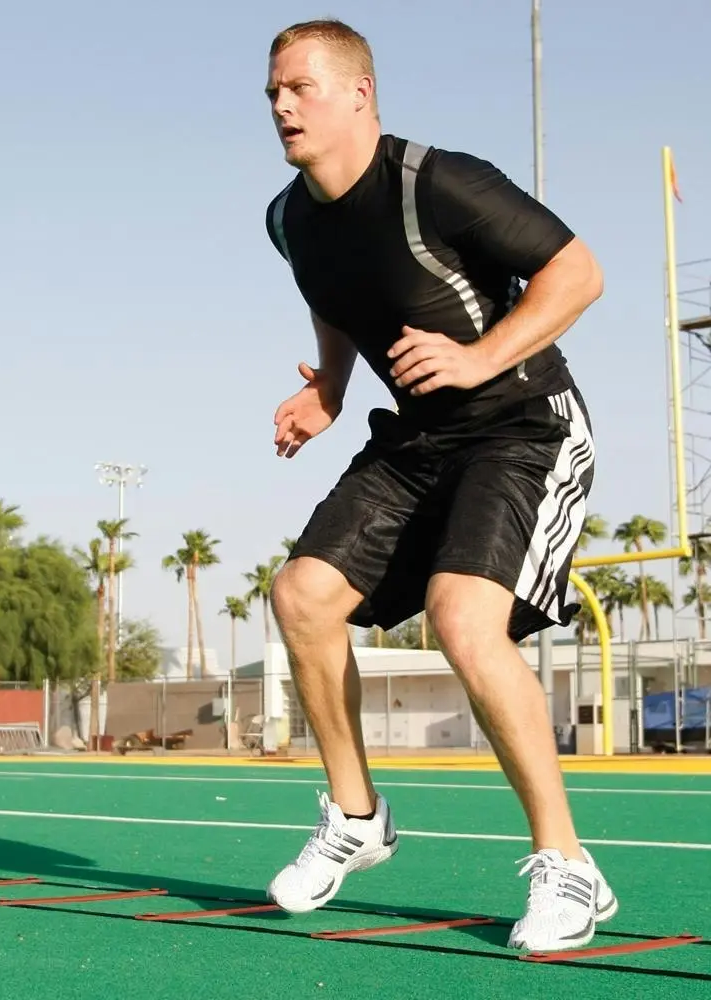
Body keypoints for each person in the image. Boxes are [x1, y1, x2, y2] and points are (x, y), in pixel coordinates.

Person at [261, 18, 616, 952]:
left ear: (358, 94)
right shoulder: (289, 215)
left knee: (463, 616)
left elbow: (578, 274)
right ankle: (356, 816)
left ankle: (570, 869)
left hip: (524, 427)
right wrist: (331, 388)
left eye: (299, 88)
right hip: (419, 440)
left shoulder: (438, 182)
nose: (282, 105)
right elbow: (331, 294)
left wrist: (477, 358)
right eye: (272, 93)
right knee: (301, 596)